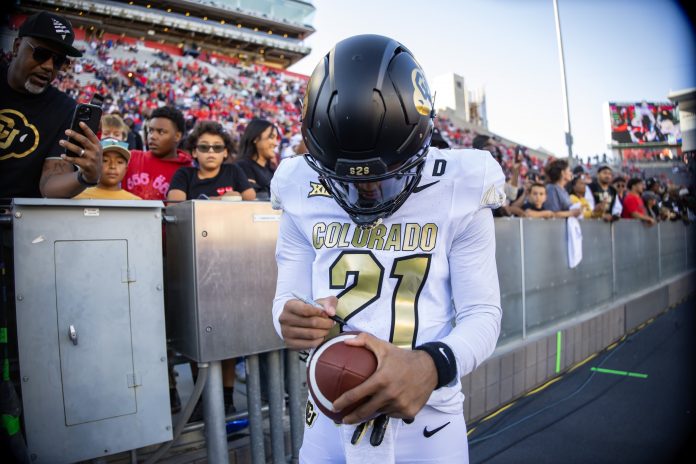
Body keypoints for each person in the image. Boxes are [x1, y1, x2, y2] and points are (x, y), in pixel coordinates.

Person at [271, 34, 504, 463]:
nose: (367, 191)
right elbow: (286, 298)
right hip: (328, 412)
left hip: (428, 420)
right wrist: (291, 317)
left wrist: (431, 366)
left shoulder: (461, 182)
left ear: (422, 142)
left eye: (388, 174)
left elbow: (483, 314)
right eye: (346, 179)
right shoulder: (297, 183)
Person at [0, 11, 102, 200]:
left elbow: (50, 182)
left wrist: (85, 176)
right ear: (17, 47)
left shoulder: (65, 110)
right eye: (42, 54)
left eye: (58, 61)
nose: (48, 66)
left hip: (16, 219)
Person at [167, 120, 255, 201]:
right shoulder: (184, 175)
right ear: (194, 152)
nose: (211, 151)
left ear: (225, 152)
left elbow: (250, 196)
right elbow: (175, 207)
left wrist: (236, 195)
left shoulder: (233, 171)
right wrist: (220, 199)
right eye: (204, 147)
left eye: (217, 147)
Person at [122, 106, 193, 200]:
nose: (152, 136)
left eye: (161, 132)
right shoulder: (130, 157)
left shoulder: (187, 170)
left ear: (177, 136)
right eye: (150, 131)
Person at [73, 139, 141, 200]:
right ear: (95, 165)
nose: (112, 166)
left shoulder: (135, 202)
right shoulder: (78, 198)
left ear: (126, 169)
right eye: (105, 160)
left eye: (119, 162)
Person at [235, 119, 279, 200]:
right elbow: (255, 198)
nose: (275, 143)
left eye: (276, 138)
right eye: (271, 137)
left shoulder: (271, 170)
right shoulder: (242, 167)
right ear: (255, 138)